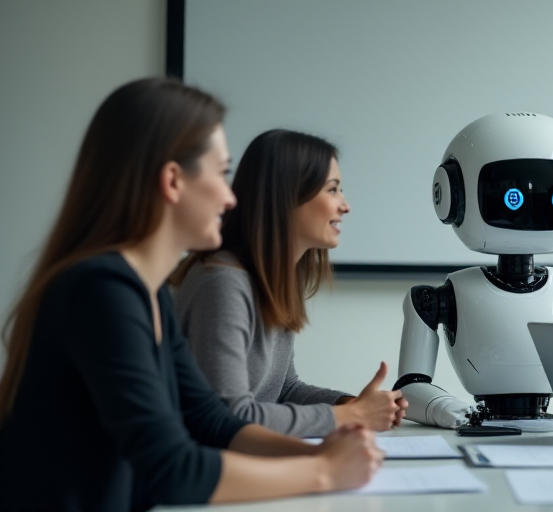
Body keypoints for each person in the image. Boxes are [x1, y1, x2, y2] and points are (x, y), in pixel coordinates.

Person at [0, 78, 383, 511]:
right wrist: (324, 472)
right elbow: (172, 469)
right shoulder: (101, 291)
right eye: (221, 173)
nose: (230, 197)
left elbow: (211, 420)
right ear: (172, 181)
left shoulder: (149, 293)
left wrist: (318, 454)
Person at [171, 129, 407, 437]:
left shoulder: (274, 278)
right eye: (332, 190)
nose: (345, 205)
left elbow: (284, 390)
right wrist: (349, 415)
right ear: (287, 197)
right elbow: (229, 416)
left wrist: (351, 405)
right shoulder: (222, 283)